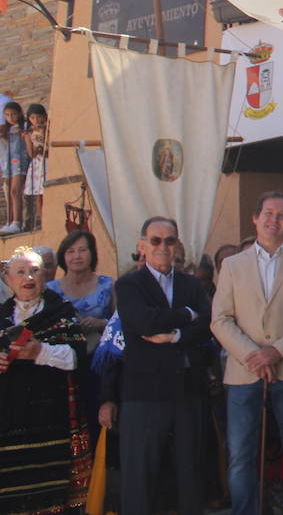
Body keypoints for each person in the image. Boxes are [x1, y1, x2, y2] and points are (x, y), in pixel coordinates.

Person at [211, 192, 283, 515]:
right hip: (244, 371)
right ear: (255, 218)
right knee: (240, 456)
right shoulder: (232, 265)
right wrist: (254, 355)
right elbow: (220, 320)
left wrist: (276, 352)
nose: (274, 220)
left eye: (281, 215)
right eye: (269, 213)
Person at [115, 217, 213, 515]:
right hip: (145, 391)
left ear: (177, 245)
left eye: (169, 241)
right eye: (155, 240)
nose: (163, 247)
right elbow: (144, 322)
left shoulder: (191, 284)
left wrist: (175, 335)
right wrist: (186, 314)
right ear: (142, 246)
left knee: (190, 473)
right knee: (140, 476)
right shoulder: (128, 285)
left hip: (186, 388)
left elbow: (207, 325)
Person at [0, 246, 92, 515]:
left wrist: (41, 352)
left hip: (52, 416)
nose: (28, 277)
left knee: (52, 491)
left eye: (35, 270)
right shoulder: (1, 316)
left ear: (45, 276)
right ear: (8, 279)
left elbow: (76, 356)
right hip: (8, 418)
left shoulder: (60, 312)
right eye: (20, 272)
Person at [49, 229, 114, 447]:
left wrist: (100, 323)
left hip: (98, 364)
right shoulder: (50, 290)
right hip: (61, 365)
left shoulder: (109, 285)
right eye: (70, 251)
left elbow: (120, 325)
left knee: (95, 419)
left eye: (82, 250)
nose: (76, 256)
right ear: (63, 256)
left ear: (92, 254)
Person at [0, 102, 28, 233]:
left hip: (20, 162)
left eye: (13, 114)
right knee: (9, 192)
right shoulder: (7, 129)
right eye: (7, 115)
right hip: (9, 164)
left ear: (20, 113)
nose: (10, 118)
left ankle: (17, 222)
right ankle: (10, 221)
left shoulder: (24, 127)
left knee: (15, 191)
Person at [22, 104, 47, 231]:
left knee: (46, 193)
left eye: (39, 117)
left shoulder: (48, 129)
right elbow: (31, 154)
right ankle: (41, 222)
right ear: (29, 119)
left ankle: (47, 220)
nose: (36, 120)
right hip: (37, 165)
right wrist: (33, 143)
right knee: (38, 195)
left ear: (44, 117)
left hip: (47, 163)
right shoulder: (29, 133)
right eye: (33, 118)